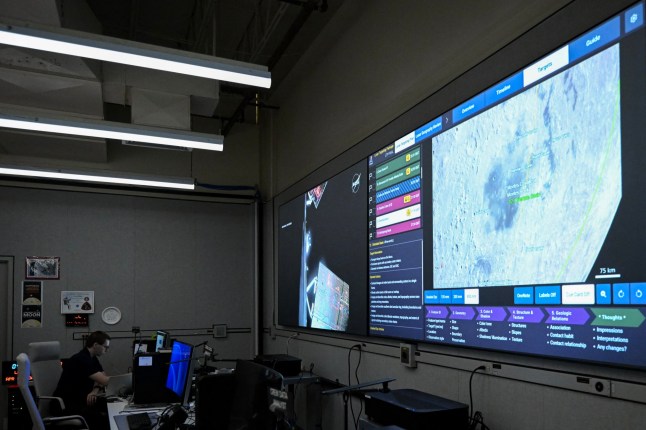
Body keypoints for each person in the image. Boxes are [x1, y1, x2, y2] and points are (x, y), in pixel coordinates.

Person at [53, 331, 111, 430]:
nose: (107, 350)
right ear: (95, 345)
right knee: (101, 418)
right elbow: (105, 381)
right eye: (105, 347)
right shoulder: (81, 359)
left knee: (108, 406)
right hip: (66, 406)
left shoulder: (92, 358)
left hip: (80, 401)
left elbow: (103, 376)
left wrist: (95, 390)